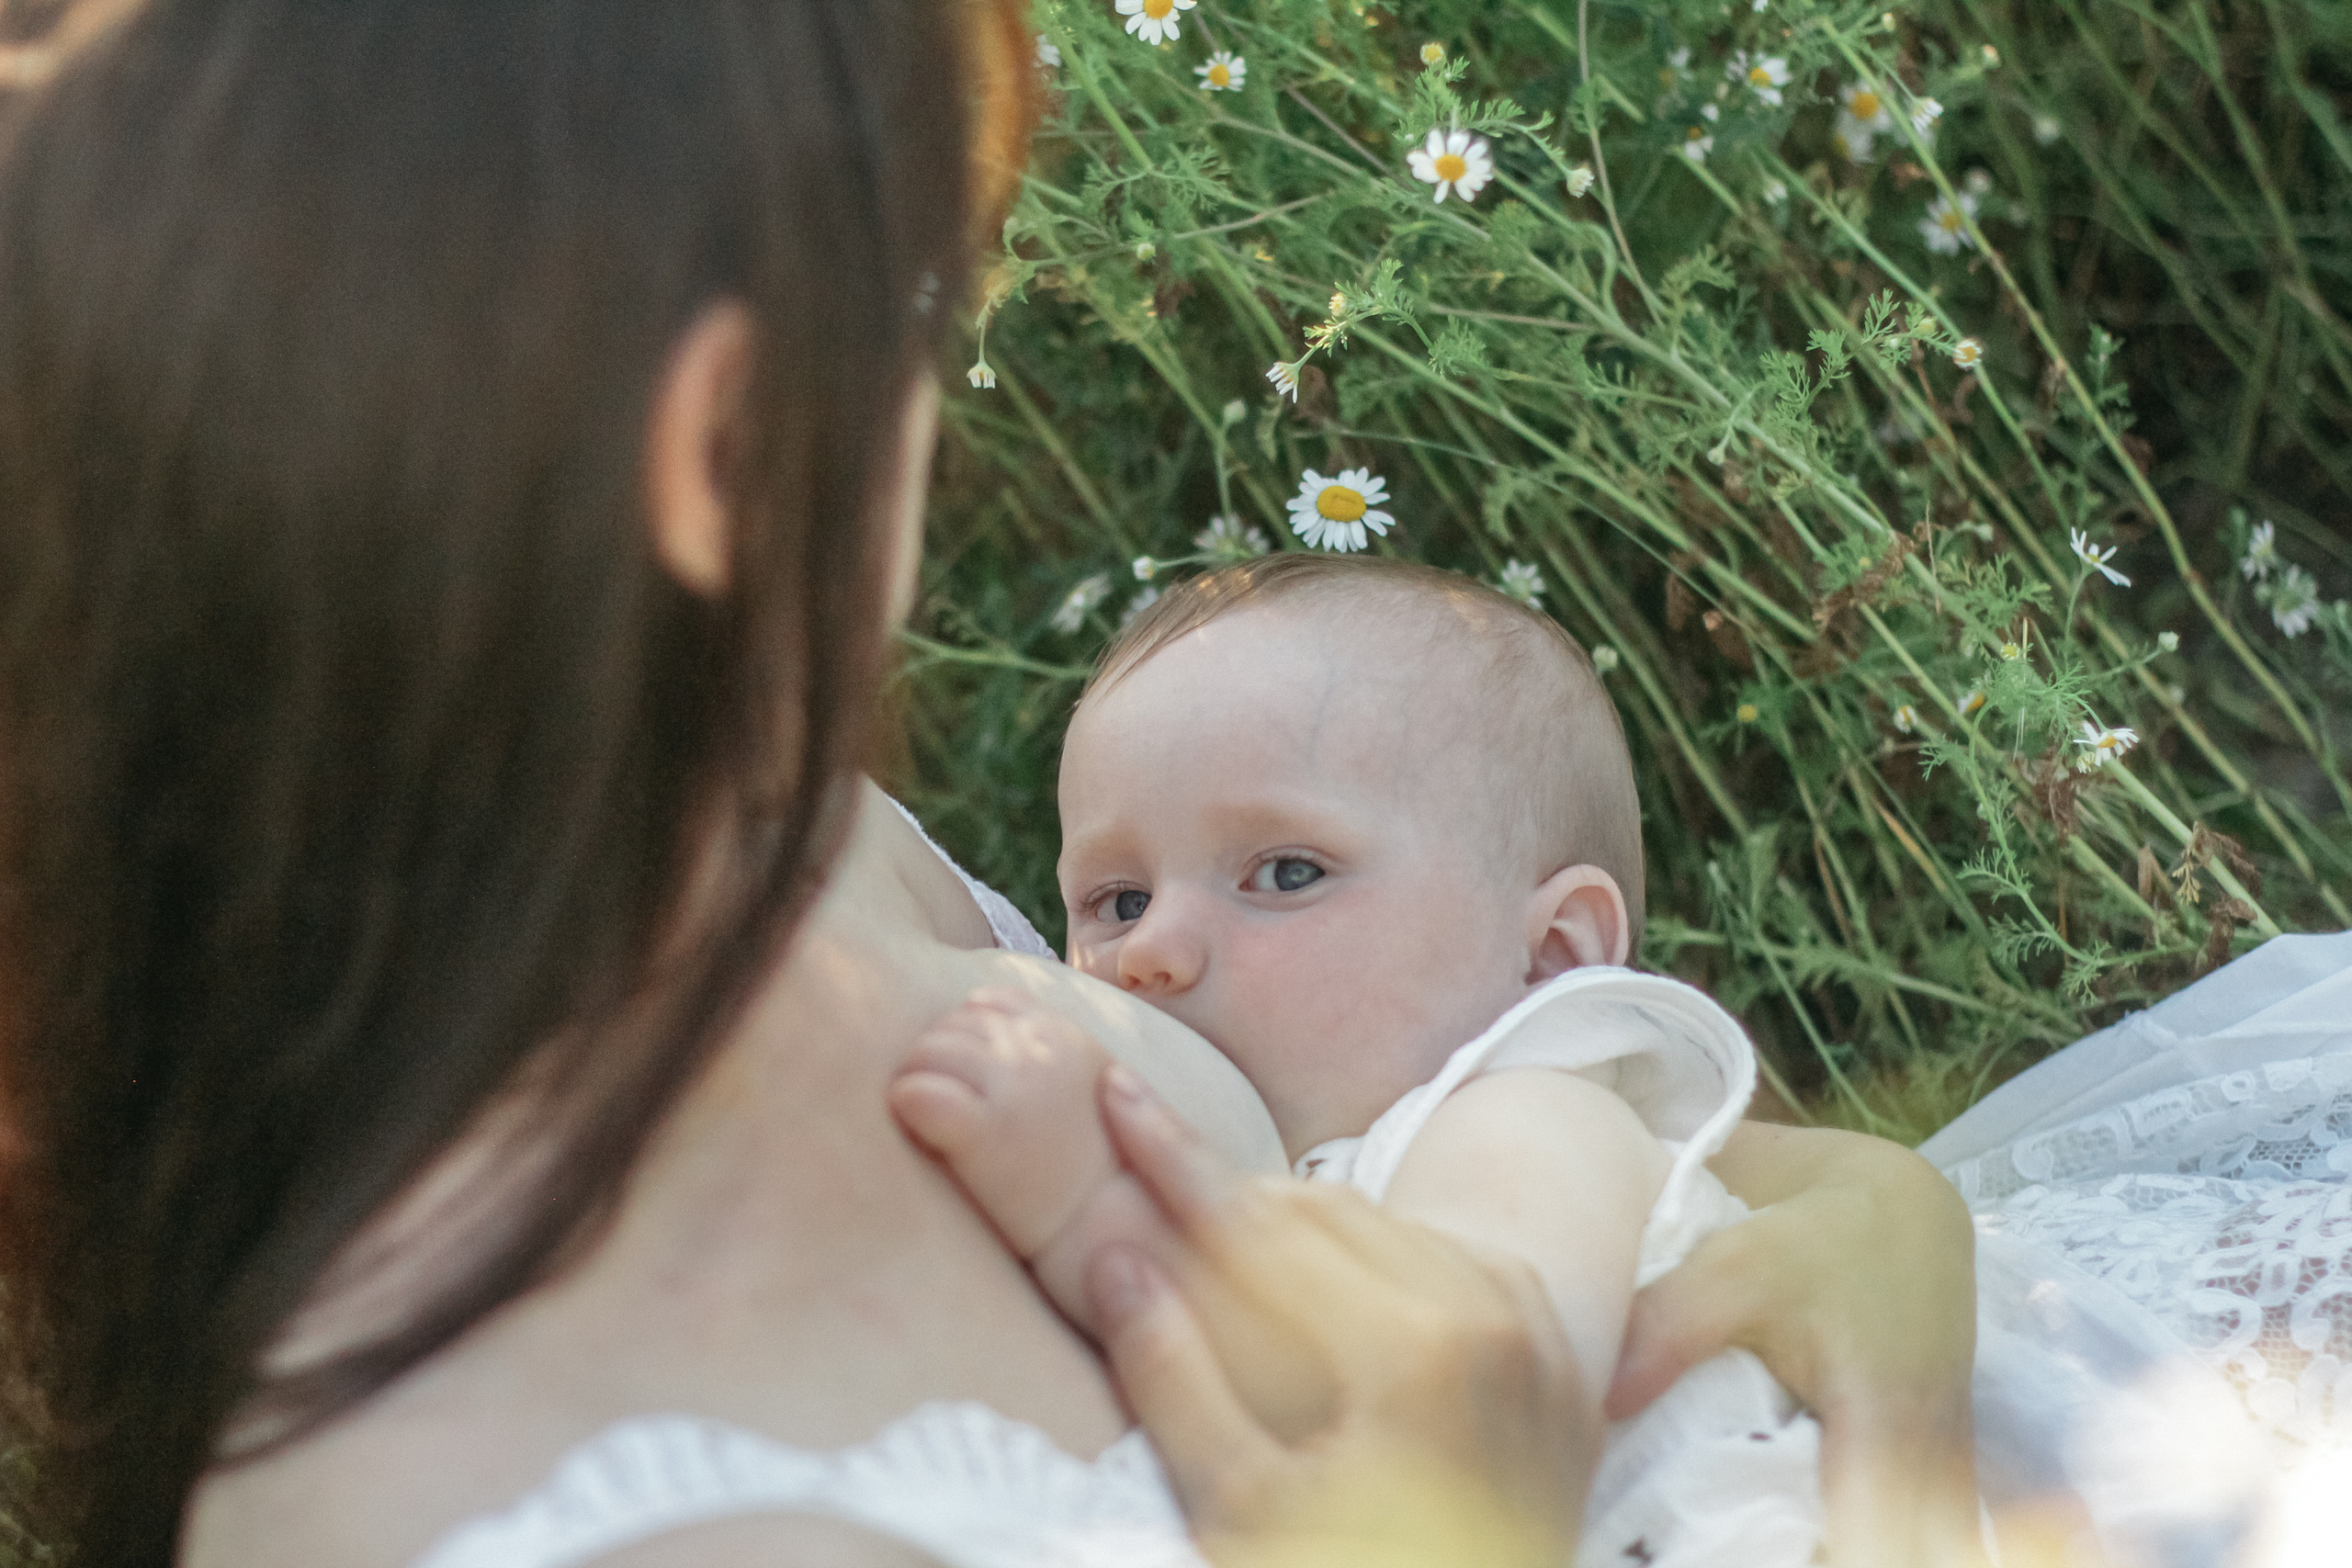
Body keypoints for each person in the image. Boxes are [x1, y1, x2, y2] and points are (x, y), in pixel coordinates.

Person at [0, 4, 1981, 1567]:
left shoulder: (822, 864)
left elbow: (1532, 1112)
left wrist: (1888, 1258)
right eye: (922, 319)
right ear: (738, 441)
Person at [893, 557, 1833, 1566]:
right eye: (1117, 901)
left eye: (1286, 872)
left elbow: (1456, 1373)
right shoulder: (1323, 1160)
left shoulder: (1529, 1111)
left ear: (1550, 957)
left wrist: (1086, 1213)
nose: (1152, 950)